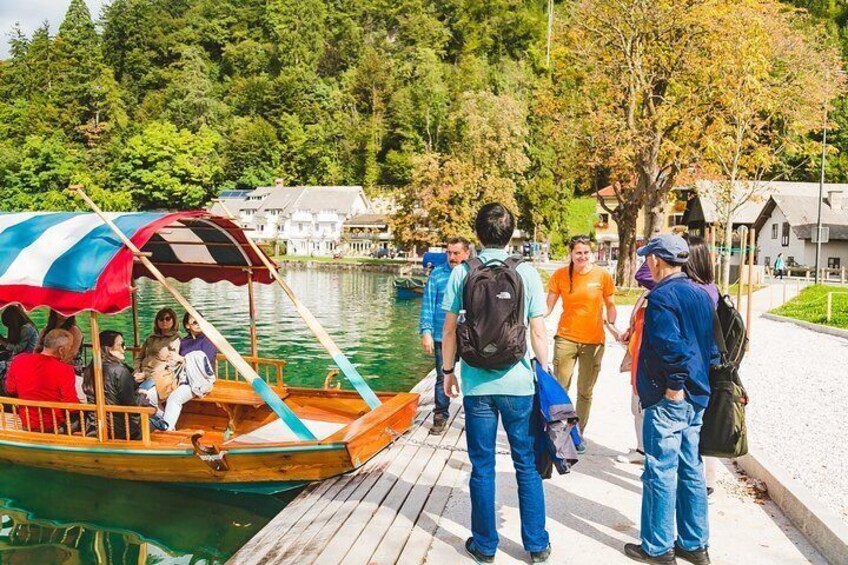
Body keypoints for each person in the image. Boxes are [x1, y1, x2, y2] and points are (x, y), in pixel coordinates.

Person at [441, 203, 551, 564]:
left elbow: (448, 329)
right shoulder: (526, 273)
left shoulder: (463, 272)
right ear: (511, 233)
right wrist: (544, 371)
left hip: (476, 385)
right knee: (526, 464)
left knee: (482, 465)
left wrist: (447, 372)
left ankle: (485, 547)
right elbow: (538, 329)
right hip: (519, 383)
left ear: (477, 232)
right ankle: (536, 545)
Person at [624, 234, 717, 565]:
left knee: (660, 469)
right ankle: (694, 543)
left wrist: (673, 386)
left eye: (649, 257)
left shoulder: (662, 297)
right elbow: (712, 347)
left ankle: (657, 546)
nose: (647, 262)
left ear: (658, 261)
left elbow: (669, 346)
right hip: (697, 393)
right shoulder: (700, 292)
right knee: (691, 467)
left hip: (671, 396)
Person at [546, 235, 617, 443]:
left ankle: (578, 433)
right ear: (571, 253)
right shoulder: (560, 275)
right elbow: (548, 306)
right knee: (560, 387)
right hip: (566, 338)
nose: (582, 256)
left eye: (586, 252)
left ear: (591, 253)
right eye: (578, 252)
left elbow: (610, 304)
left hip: (593, 341)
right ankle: (559, 431)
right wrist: (536, 319)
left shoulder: (602, 275)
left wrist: (613, 322)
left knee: (585, 391)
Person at [419, 237, 471, 435]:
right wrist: (426, 332)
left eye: (456, 253)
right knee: (442, 377)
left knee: (470, 376)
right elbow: (428, 304)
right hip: (442, 336)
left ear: (466, 253)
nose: (452, 257)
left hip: (467, 337)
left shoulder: (472, 274)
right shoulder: (437, 275)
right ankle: (440, 415)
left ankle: (472, 414)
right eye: (449, 253)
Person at [683, 235, 720, 500]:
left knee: (693, 430)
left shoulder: (694, 292)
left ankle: (699, 485)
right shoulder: (712, 288)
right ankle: (707, 481)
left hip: (693, 370)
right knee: (702, 425)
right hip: (708, 368)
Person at [82, 330, 154, 440]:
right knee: (155, 418)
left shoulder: (90, 368)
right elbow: (131, 403)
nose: (124, 348)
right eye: (121, 345)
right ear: (109, 348)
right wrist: (143, 397)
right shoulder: (119, 371)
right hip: (122, 429)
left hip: (95, 426)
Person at [5, 329, 78, 433]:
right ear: (62, 350)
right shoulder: (65, 369)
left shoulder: (18, 360)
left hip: (26, 422)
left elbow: (10, 389)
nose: (71, 351)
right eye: (70, 348)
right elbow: (71, 404)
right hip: (53, 426)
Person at [162, 313, 218, 430]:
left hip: (200, 379)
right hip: (182, 377)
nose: (198, 324)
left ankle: (167, 428)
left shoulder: (208, 340)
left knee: (174, 398)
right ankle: (160, 419)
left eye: (200, 321)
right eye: (194, 322)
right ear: (187, 325)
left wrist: (182, 359)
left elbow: (204, 362)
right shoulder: (184, 341)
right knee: (155, 391)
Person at [135, 308, 183, 402]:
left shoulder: (176, 339)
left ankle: (159, 416)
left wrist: (145, 375)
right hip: (141, 373)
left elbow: (171, 364)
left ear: (173, 320)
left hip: (159, 377)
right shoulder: (151, 338)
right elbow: (139, 356)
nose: (164, 321)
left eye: (168, 318)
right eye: (161, 319)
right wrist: (136, 370)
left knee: (139, 396)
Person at [0, 306, 39, 394]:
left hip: (27, 357)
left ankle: (6, 390)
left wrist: (2, 342)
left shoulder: (27, 328)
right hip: (19, 355)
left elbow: (18, 348)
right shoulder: (19, 327)